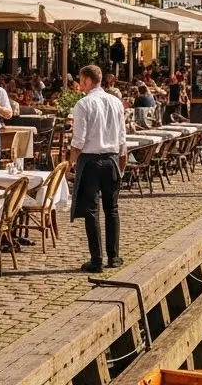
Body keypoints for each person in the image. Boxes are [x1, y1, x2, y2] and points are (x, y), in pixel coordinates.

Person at [68, 65, 127, 273]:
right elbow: (122, 137)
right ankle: (114, 256)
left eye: (80, 80)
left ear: (86, 80)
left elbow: (79, 140)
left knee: (91, 211)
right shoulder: (116, 102)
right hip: (111, 159)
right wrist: (121, 164)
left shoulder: (83, 104)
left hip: (91, 161)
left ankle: (96, 260)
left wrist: (70, 162)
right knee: (112, 209)